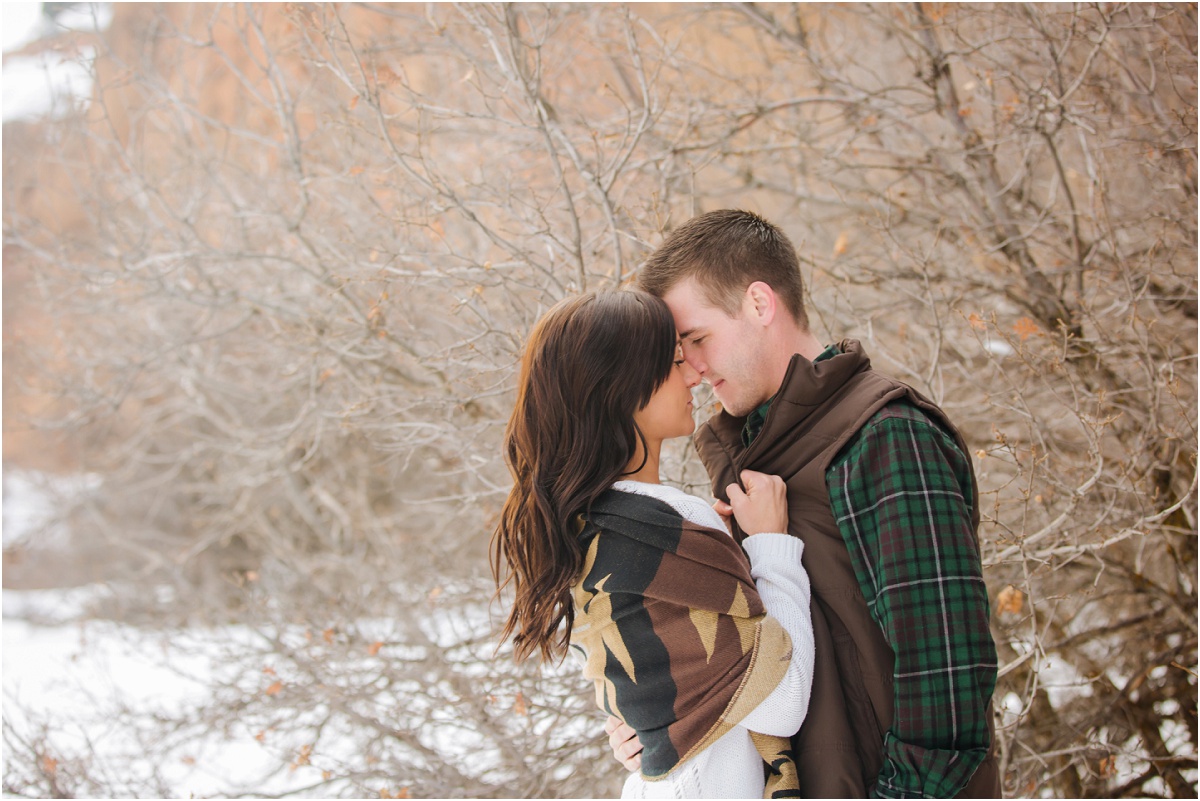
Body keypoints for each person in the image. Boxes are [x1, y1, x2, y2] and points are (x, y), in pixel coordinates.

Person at [605, 210, 1001, 798]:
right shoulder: (748, 462)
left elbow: (947, 672)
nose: (690, 369)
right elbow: (750, 667)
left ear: (760, 304)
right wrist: (659, 724)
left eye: (696, 340)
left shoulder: (885, 437)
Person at [491, 289, 815, 799]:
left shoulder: (584, 529)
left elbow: (655, 687)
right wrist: (773, 545)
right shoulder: (669, 525)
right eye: (672, 362)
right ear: (620, 388)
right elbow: (785, 700)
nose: (692, 375)